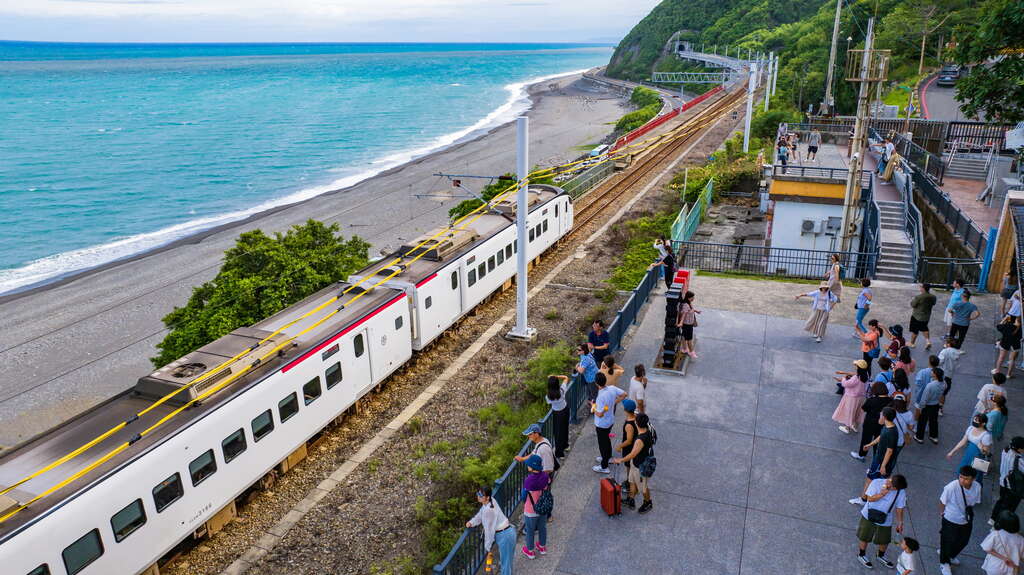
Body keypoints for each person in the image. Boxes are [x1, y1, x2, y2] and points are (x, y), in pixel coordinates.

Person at [855, 473, 907, 569]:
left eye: (896, 489)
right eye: (894, 488)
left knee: (884, 539)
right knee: (865, 536)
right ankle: (861, 555)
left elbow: (900, 508)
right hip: (869, 514)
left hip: (886, 518)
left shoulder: (901, 491)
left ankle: (880, 555)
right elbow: (869, 498)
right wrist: (882, 494)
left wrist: (900, 522)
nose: (895, 490)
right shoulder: (876, 482)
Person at [938, 466, 982, 575]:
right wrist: (942, 513)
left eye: (966, 478)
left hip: (966, 519)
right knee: (947, 541)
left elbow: (974, 503)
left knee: (963, 541)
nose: (962, 480)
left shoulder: (977, 487)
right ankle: (944, 563)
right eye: (961, 477)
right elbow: (942, 501)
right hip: (950, 518)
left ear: (973, 479)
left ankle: (950, 555)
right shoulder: (952, 487)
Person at [466, 486, 515, 575]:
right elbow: (480, 514)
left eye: (481, 495)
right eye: (478, 493)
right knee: (507, 563)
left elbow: (488, 531)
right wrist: (471, 522)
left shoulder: (488, 511)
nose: (478, 496)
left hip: (504, 536)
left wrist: (488, 547)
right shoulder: (491, 501)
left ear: (487, 497)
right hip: (507, 533)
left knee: (506, 565)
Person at [612, 412, 654, 514]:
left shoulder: (640, 439)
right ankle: (630, 500)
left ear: (637, 423)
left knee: (643, 487)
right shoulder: (648, 429)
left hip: (640, 466)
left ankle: (648, 503)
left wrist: (620, 460)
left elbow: (633, 454)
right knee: (631, 481)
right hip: (635, 463)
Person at [592, 372, 626, 473]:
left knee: (603, 444)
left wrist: (593, 407)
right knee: (606, 440)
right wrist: (614, 403)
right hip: (610, 421)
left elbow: (599, 414)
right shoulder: (612, 388)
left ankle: (604, 466)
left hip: (601, 424)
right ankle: (608, 457)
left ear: (596, 383)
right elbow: (624, 394)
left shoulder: (600, 397)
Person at [947, 413, 993, 486]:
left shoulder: (986, 436)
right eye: (974, 419)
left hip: (978, 458)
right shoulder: (970, 428)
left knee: (976, 477)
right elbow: (963, 441)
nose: (974, 421)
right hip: (968, 455)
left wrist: (981, 447)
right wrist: (952, 452)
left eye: (977, 420)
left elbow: (986, 452)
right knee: (962, 472)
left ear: (983, 423)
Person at [853, 382, 893, 461]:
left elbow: (863, 409)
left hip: (870, 423)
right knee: (878, 441)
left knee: (866, 439)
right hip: (883, 424)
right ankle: (876, 457)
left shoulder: (871, 400)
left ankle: (861, 455)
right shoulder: (891, 401)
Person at [520, 454, 550, 559]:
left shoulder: (529, 480)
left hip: (531, 510)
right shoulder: (545, 476)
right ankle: (542, 547)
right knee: (542, 528)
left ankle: (530, 551)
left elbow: (524, 496)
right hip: (543, 507)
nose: (527, 466)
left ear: (532, 467)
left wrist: (525, 502)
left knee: (530, 531)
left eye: (528, 465)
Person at [981, 511, 1024, 575]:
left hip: (995, 566)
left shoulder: (996, 534)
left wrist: (1004, 558)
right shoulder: (1021, 539)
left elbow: (986, 549)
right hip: (1011, 568)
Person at [833, 360, 870, 434]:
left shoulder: (856, 378)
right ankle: (855, 426)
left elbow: (846, 384)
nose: (855, 367)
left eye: (856, 365)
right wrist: (844, 372)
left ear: (858, 368)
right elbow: (855, 374)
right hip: (861, 398)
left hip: (852, 398)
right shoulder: (866, 375)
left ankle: (847, 428)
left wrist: (843, 378)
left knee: (849, 411)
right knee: (857, 412)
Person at [993, 437, 1024, 521]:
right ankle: (1000, 522)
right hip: (1012, 487)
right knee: (1008, 506)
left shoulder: (1005, 450)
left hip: (1002, 482)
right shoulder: (1019, 460)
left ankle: (993, 518)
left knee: (1001, 500)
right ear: (1019, 449)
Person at [615, 399, 638, 506]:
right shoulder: (635, 417)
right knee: (629, 466)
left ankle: (630, 485)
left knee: (629, 466)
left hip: (629, 448)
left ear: (625, 410)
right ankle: (629, 481)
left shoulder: (629, 425)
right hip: (633, 447)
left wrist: (620, 446)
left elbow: (629, 440)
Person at [915, 367, 945, 444]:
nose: (931, 372)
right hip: (936, 404)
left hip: (927, 406)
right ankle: (934, 436)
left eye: (933, 372)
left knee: (922, 421)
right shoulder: (944, 383)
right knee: (934, 421)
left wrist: (921, 407)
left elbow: (924, 398)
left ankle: (919, 437)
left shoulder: (930, 385)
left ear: (935, 375)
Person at [938, 337, 965, 416]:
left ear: (948, 344)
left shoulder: (944, 351)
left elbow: (939, 362)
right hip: (949, 376)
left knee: (935, 391)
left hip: (941, 374)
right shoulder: (957, 353)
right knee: (943, 394)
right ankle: (940, 409)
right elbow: (957, 366)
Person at [544, 375, 570, 458]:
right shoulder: (562, 390)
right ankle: (566, 445)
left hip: (557, 414)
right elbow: (566, 378)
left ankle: (559, 453)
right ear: (557, 384)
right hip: (565, 410)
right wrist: (556, 376)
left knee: (558, 433)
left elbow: (549, 403)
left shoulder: (548, 396)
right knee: (565, 428)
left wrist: (552, 378)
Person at [908, 283, 937, 349]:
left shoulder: (919, 297)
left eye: (921, 287)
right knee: (924, 328)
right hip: (926, 317)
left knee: (915, 331)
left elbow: (913, 304)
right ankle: (928, 341)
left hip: (917, 316)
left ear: (923, 288)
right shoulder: (933, 297)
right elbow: (934, 303)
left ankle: (912, 343)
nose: (920, 288)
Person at [995, 314, 1022, 378]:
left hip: (1005, 343)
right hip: (1015, 344)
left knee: (1001, 357)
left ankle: (997, 371)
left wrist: (1004, 319)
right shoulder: (1021, 327)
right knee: (1012, 360)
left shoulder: (1008, 325)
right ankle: (1008, 374)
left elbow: (998, 326)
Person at [676, 290, 701, 359]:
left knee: (684, 336)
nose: (693, 298)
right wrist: (681, 323)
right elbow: (684, 315)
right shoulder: (686, 305)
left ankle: (684, 349)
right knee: (689, 339)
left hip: (688, 324)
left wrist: (696, 311)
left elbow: (690, 310)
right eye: (692, 297)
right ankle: (692, 352)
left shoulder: (689, 303)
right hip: (687, 325)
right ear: (688, 298)